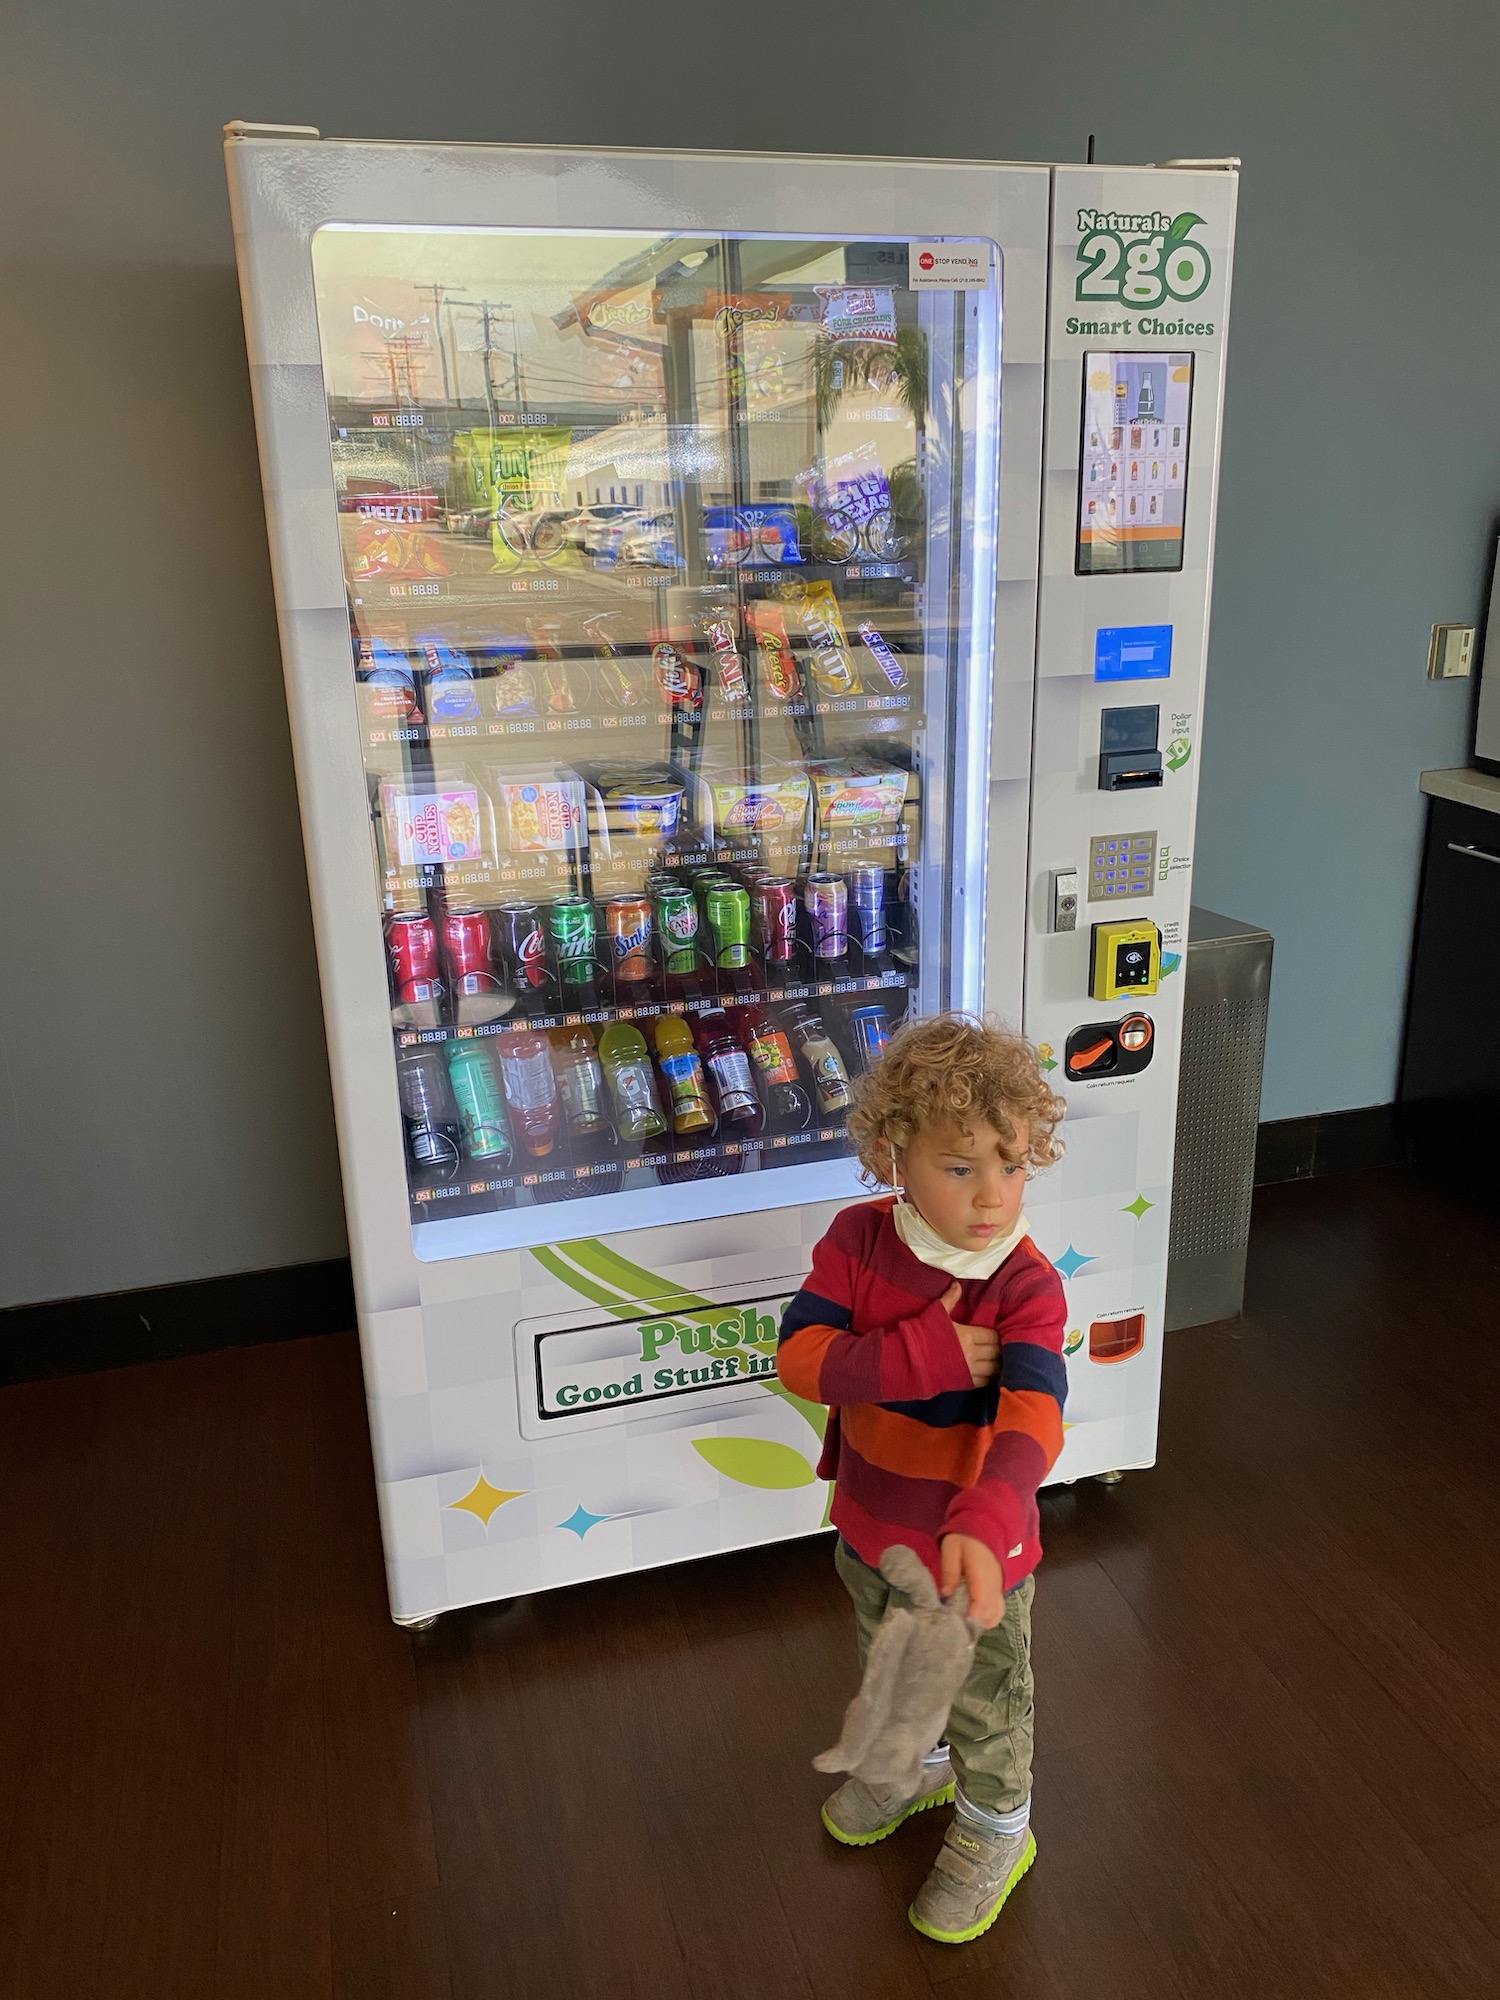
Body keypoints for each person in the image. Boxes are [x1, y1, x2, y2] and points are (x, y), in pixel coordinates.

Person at [776, 1013, 1067, 1945]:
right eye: (960, 1167)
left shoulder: (1024, 1287)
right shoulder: (857, 1243)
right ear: (892, 1156)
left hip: (976, 1554)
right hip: (871, 1525)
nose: (993, 1197)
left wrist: (984, 1519)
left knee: (985, 1693)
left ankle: (995, 1828)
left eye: (1011, 1164)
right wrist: (923, 1356)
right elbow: (804, 1360)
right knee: (888, 1656)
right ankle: (915, 1766)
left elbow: (1034, 1416)